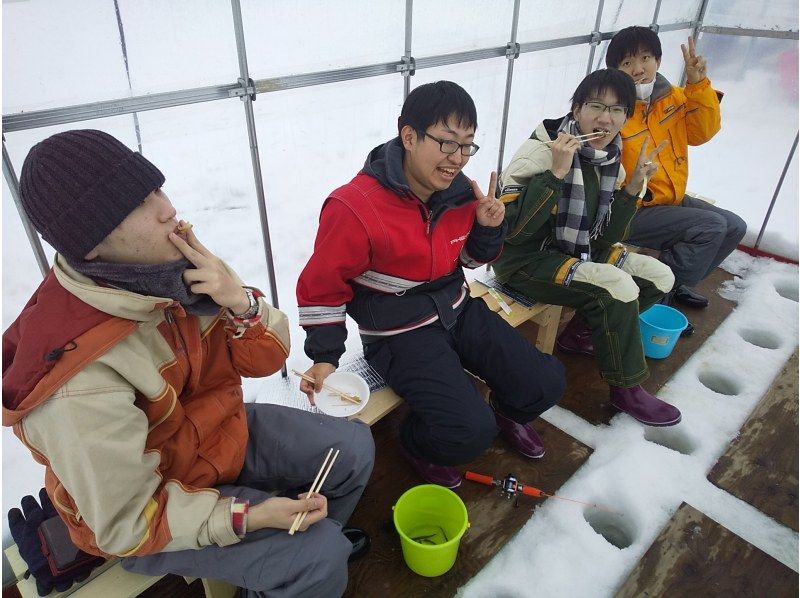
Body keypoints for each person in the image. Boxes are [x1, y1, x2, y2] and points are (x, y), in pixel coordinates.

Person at [2, 130, 375, 598]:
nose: (166, 208)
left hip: (217, 436)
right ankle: (302, 568)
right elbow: (127, 524)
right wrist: (247, 518)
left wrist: (241, 304)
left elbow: (266, 360)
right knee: (317, 561)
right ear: (91, 245)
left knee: (354, 448)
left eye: (155, 187)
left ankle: (286, 571)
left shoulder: (172, 271)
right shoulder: (78, 378)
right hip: (155, 508)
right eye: (137, 203)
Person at [296, 81, 565, 489]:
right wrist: (324, 354)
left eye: (467, 146)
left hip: (458, 308)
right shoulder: (354, 207)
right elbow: (321, 287)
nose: (457, 158)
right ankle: (416, 444)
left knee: (545, 382)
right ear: (408, 136)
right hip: (399, 334)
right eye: (446, 143)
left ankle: (506, 413)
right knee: (468, 431)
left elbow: (471, 261)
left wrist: (489, 228)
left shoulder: (457, 193)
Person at [494, 69, 682, 427]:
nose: (605, 118)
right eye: (596, 106)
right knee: (617, 287)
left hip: (579, 249)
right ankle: (626, 388)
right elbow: (512, 234)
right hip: (525, 261)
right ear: (577, 109)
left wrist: (632, 190)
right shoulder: (539, 153)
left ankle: (581, 333)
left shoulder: (609, 157)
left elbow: (607, 238)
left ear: (626, 117)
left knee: (660, 277)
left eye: (617, 110)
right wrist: (555, 174)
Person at [607, 26, 747, 335]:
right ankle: (657, 297)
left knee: (734, 225)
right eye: (627, 63)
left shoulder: (672, 98)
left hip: (669, 198)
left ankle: (677, 282)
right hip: (631, 207)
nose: (638, 69)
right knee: (709, 227)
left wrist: (698, 84)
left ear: (658, 60)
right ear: (614, 70)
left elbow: (701, 133)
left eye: (645, 58)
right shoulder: (612, 109)